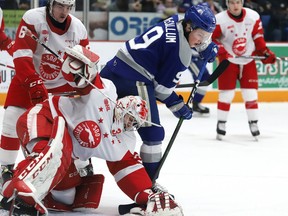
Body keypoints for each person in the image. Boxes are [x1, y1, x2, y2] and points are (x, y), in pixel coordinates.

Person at [1, 45, 184, 216]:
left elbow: (129, 170)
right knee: (52, 154)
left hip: (65, 145)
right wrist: (81, 64)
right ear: (122, 104)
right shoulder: (106, 93)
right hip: (44, 118)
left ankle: (38, 192)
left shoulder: (123, 141)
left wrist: (147, 195)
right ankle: (13, 191)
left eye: (134, 123)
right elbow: (88, 79)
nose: (129, 123)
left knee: (66, 195)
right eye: (130, 116)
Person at [100, 4, 218, 180]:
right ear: (189, 27)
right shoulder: (182, 54)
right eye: (201, 35)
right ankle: (149, 186)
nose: (203, 39)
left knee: (94, 121)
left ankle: (78, 168)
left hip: (112, 68)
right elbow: (162, 90)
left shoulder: (177, 19)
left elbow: (182, 40)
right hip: (134, 80)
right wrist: (180, 108)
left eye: (207, 36)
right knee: (153, 134)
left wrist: (202, 45)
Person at [0, 0, 90, 188]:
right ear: (50, 4)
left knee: (76, 126)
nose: (64, 12)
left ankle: (84, 168)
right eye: (60, 6)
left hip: (61, 87)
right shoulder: (32, 18)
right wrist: (34, 83)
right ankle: (5, 169)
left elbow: (85, 65)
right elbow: (21, 55)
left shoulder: (78, 29)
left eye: (68, 7)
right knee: (11, 118)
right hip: (28, 80)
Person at [212, 0, 276, 140]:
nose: (236, 6)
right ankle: (221, 123)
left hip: (248, 61)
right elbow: (212, 39)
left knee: (250, 94)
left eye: (238, 2)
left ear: (242, 3)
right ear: (227, 4)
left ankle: (254, 123)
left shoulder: (253, 16)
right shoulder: (219, 19)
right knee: (226, 95)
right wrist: (222, 52)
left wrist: (265, 52)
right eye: (232, 3)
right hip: (228, 62)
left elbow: (258, 37)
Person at [188, 49, 211, 114]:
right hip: (190, 55)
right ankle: (195, 104)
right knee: (200, 79)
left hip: (197, 55)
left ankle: (196, 103)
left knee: (205, 77)